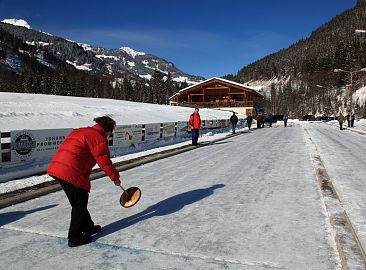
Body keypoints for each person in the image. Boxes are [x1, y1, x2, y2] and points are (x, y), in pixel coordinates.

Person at [47, 116, 121, 247]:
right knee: (79, 204)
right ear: (107, 130)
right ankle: (75, 238)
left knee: (79, 201)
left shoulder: (81, 131)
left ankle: (88, 227)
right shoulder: (99, 138)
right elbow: (104, 162)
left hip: (58, 167)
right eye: (111, 132)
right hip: (70, 171)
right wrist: (115, 178)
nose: (110, 135)